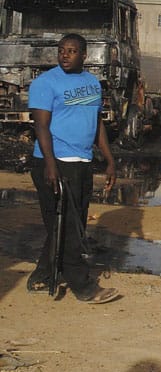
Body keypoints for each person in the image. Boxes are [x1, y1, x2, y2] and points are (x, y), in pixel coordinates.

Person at [27, 33, 120, 303]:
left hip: (81, 162)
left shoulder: (92, 83)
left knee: (70, 223)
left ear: (84, 55)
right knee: (67, 226)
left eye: (71, 51)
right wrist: (50, 165)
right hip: (53, 164)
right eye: (61, 51)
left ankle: (42, 275)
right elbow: (41, 126)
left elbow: (97, 123)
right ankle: (84, 287)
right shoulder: (46, 83)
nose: (65, 55)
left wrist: (109, 160)